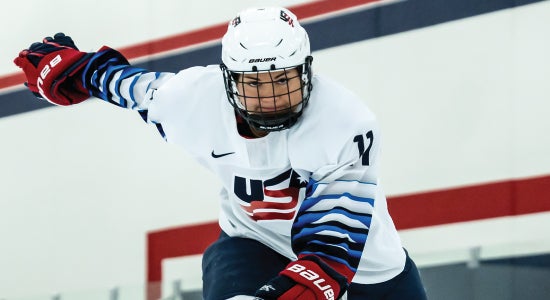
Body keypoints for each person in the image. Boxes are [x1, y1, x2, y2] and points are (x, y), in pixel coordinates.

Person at [14, 7, 427, 300]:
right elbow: (124, 84)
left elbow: (332, 244)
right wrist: (72, 71)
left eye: (282, 80)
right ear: (228, 79)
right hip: (250, 243)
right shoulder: (190, 99)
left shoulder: (344, 121)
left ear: (307, 69)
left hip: (371, 273)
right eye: (254, 84)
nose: (270, 100)